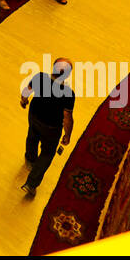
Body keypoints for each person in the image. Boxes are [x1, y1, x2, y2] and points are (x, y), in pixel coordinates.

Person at [19, 58, 75, 199]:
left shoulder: (40, 77)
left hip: (34, 116)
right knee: (47, 153)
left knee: (32, 137)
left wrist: (23, 100)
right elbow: (67, 117)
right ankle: (31, 184)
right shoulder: (68, 93)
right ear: (67, 75)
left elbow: (27, 90)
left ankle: (30, 160)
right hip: (51, 127)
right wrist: (67, 135)